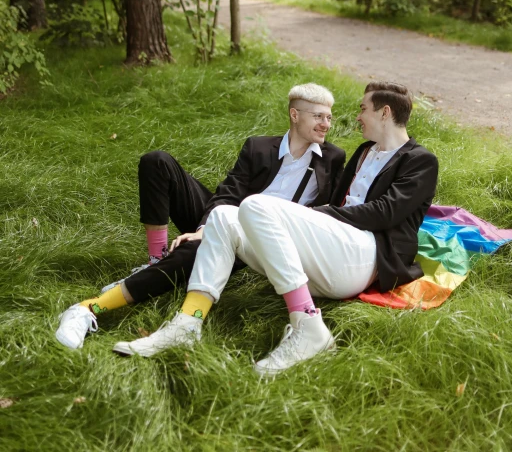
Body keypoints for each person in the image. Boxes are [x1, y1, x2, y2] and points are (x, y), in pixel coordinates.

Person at [111, 81, 438, 375]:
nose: (357, 116)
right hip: (331, 253)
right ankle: (187, 323)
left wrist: (319, 214)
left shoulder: (420, 159)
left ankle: (308, 327)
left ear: (384, 112)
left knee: (254, 204)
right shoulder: (364, 152)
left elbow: (385, 212)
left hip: (365, 258)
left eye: (363, 109)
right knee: (226, 215)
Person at [55, 83, 345, 349]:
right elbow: (230, 191)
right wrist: (205, 226)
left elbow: (328, 211)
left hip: (255, 239)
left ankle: (87, 309)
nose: (326, 124)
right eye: (319, 116)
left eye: (329, 118)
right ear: (295, 115)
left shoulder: (333, 158)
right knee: (157, 162)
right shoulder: (258, 146)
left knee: (195, 251)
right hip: (226, 214)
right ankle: (156, 260)